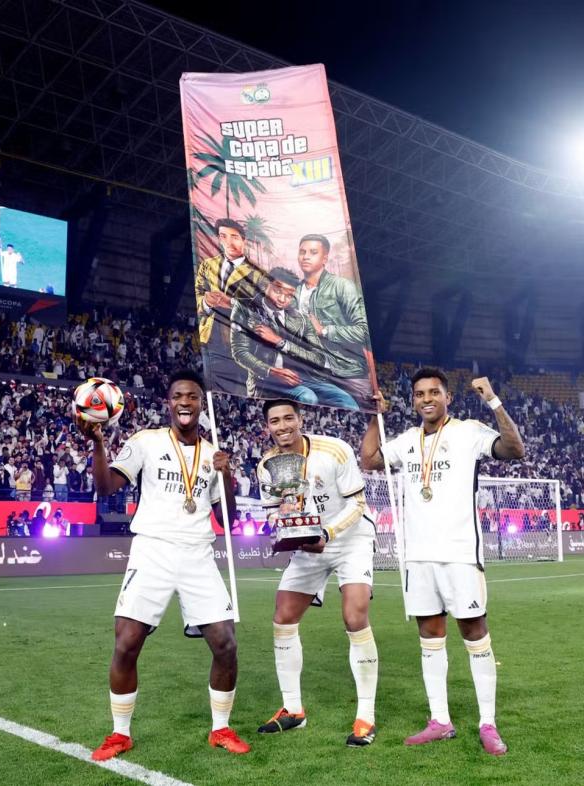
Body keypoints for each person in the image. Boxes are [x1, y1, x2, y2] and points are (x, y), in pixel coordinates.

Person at [77, 369, 250, 760]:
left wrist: (228, 478)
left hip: (198, 554)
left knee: (225, 644)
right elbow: (106, 488)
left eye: (191, 396)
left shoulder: (214, 454)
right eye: (178, 396)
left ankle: (220, 729)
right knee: (126, 643)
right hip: (152, 550)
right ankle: (120, 734)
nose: (185, 402)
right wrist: (99, 444)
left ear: (200, 404)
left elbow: (227, 521)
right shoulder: (146, 442)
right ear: (168, 402)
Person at [360, 368, 525, 755]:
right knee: (430, 638)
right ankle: (440, 720)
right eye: (419, 394)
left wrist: (493, 400)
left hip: (459, 556)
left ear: (447, 396)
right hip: (418, 558)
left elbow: (515, 449)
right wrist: (373, 415)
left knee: (474, 634)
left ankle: (488, 722)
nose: (426, 399)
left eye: (434, 392)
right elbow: (369, 459)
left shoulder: (468, 431)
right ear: (414, 400)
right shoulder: (407, 441)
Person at [257, 399, 378, 747]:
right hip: (308, 546)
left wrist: (327, 534)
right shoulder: (267, 465)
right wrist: (281, 531)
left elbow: (358, 504)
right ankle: (293, 710)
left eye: (288, 418)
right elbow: (271, 514)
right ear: (268, 426)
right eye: (274, 421)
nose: (282, 426)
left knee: (355, 617)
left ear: (300, 419)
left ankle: (365, 717)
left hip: (349, 539)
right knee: (283, 617)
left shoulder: (334, 450)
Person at [230, 267, 359, 409]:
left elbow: (320, 358)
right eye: (277, 291)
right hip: (268, 379)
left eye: (289, 295)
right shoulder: (245, 309)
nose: (282, 299)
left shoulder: (301, 320)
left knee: (347, 401)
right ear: (265, 285)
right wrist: (272, 371)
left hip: (303, 378)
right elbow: (240, 352)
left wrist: (281, 342)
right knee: (307, 397)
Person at [295, 234, 373, 407]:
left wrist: (324, 331)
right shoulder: (293, 292)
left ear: (325, 258)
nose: (306, 256)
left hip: (348, 372)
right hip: (312, 374)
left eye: (313, 252)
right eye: (302, 252)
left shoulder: (342, 286)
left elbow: (365, 331)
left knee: (365, 417)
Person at [194, 218, 264, 385]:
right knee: (211, 383)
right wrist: (206, 302)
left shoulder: (257, 273)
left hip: (239, 338)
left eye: (234, 237)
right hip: (210, 336)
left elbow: (263, 309)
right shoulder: (207, 265)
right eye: (223, 236)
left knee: (238, 386)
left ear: (243, 240)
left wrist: (232, 302)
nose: (229, 242)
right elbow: (197, 293)